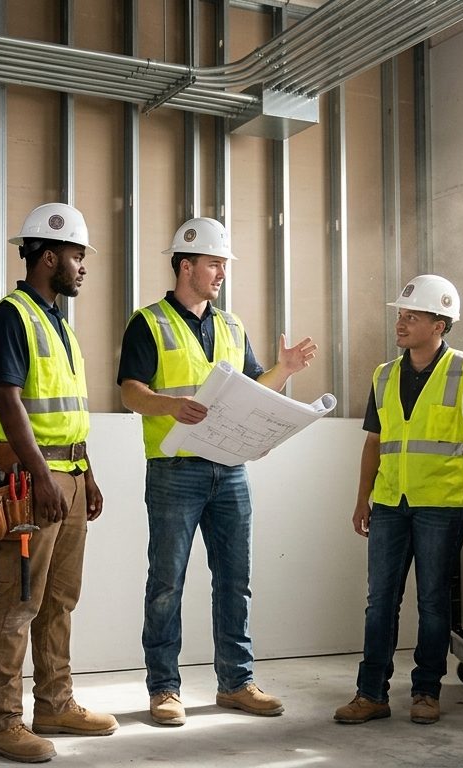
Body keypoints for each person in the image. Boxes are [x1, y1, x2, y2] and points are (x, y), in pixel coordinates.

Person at [117, 216, 317, 727]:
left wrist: (284, 371)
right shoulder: (148, 322)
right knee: (167, 582)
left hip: (230, 472)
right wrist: (169, 405)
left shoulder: (231, 325)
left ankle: (236, 683)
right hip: (175, 471)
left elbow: (253, 390)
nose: (222, 272)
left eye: (224, 263)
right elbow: (130, 391)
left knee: (235, 580)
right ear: (186, 266)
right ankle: (164, 688)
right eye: (214, 263)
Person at [333, 275, 463, 727]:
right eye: (400, 315)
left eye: (412, 317)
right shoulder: (384, 374)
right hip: (390, 503)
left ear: (440, 324)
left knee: (433, 602)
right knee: (380, 602)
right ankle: (370, 694)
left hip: (443, 504)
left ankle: (426, 691)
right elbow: (374, 442)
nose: (401, 323)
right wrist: (362, 499)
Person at [0, 202, 118, 763]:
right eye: (77, 256)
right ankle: (1, 722)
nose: (83, 266)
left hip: (71, 474)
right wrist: (41, 475)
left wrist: (89, 474)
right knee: (19, 599)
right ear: (49, 256)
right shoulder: (10, 317)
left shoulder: (58, 322)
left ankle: (54, 703)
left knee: (60, 598)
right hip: (32, 477)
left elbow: (67, 414)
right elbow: (8, 400)